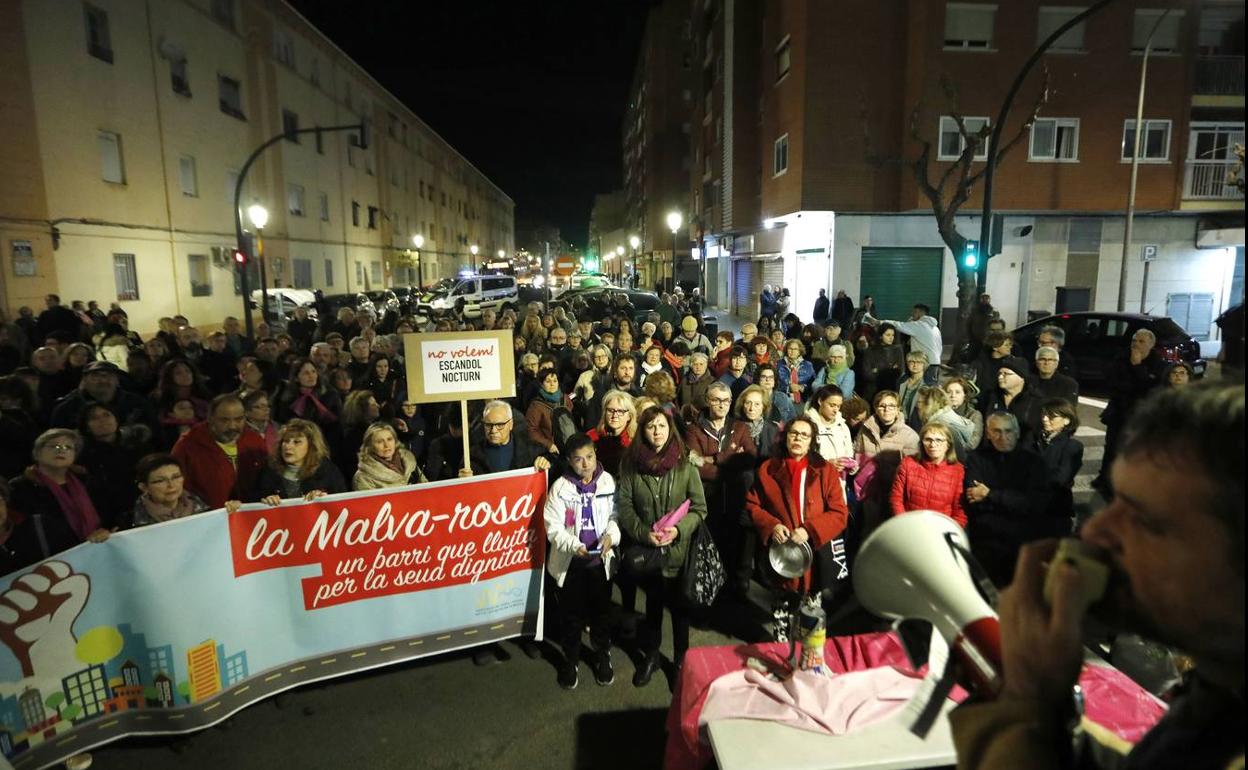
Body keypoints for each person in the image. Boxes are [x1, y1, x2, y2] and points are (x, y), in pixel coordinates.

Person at [951, 381, 1245, 770]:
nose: (1094, 531)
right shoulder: (1218, 689)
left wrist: (1027, 702)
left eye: (1145, 520)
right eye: (1115, 500)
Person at [616, 406, 707, 686]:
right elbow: (625, 507)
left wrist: (678, 530)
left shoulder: (684, 465)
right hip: (648, 552)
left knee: (680, 611)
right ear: (642, 430)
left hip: (679, 552)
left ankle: (680, 661)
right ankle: (652, 656)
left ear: (671, 430)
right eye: (651, 426)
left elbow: (700, 508)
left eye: (662, 426)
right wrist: (644, 534)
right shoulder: (630, 465)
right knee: (653, 608)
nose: (657, 432)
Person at [745, 415, 849, 639]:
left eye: (804, 435)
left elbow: (839, 513)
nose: (798, 439)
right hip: (782, 554)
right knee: (781, 608)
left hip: (814, 555)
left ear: (811, 441)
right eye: (794, 433)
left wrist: (810, 530)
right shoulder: (767, 469)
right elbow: (753, 505)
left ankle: (810, 654)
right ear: (786, 437)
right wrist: (772, 525)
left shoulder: (825, 470)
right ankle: (780, 650)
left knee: (811, 613)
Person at [544, 434, 621, 690]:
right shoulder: (560, 488)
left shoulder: (607, 481)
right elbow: (553, 527)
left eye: (589, 457)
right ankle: (571, 659)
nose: (586, 464)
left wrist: (611, 536)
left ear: (596, 453)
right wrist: (573, 545)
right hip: (571, 566)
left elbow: (616, 515)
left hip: (600, 564)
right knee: (571, 616)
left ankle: (602, 654)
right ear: (569, 460)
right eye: (578, 460)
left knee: (601, 614)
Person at [963, 412, 1054, 586]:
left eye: (1008, 431)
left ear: (1017, 433)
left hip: (1021, 543)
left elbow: (1033, 504)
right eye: (996, 431)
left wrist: (989, 495)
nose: (1003, 437)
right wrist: (1011, 501)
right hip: (985, 542)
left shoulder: (1034, 462)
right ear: (988, 434)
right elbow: (973, 500)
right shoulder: (976, 459)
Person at [684, 381, 757, 597]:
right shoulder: (694, 429)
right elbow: (696, 468)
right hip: (707, 499)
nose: (722, 404)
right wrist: (731, 462)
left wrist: (714, 458)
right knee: (710, 547)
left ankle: (734, 591)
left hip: (735, 498)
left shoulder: (740, 427)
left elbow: (750, 457)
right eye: (716, 400)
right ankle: (710, 591)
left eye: (726, 400)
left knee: (734, 547)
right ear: (708, 401)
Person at [6, 429, 112, 569]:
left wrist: (105, 530)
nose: (61, 450)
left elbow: (107, 513)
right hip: (47, 564)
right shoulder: (19, 487)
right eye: (54, 446)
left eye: (68, 447)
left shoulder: (87, 481)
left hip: (95, 554)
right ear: (37, 453)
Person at [1095, 328, 1166, 495]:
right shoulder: (1121, 358)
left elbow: (1151, 388)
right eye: (1134, 340)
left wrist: (1137, 366)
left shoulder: (1157, 364)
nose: (1136, 344)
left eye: (1141, 341)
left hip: (1140, 415)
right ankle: (1105, 478)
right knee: (1111, 447)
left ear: (1151, 345)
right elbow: (1112, 381)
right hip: (1118, 411)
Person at [171, 394, 268, 509]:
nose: (232, 426)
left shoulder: (255, 441)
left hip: (252, 515)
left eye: (238, 419)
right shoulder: (187, 445)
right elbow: (179, 489)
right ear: (210, 419)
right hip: (208, 516)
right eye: (224, 420)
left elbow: (267, 481)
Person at [852, 391, 920, 530]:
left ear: (898, 409)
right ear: (876, 408)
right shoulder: (865, 430)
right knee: (869, 531)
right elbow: (858, 454)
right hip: (869, 492)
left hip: (894, 495)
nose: (886, 409)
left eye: (891, 406)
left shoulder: (910, 436)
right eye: (882, 406)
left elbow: (914, 471)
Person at [889, 422, 966, 526]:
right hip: (909, 525)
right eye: (928, 440)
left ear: (948, 444)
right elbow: (896, 498)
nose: (933, 445)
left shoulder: (958, 471)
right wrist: (905, 524)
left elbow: (960, 511)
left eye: (939, 440)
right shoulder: (908, 463)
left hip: (941, 529)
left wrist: (948, 532)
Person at [253, 419, 347, 503]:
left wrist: (325, 498)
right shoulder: (269, 470)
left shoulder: (327, 471)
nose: (288, 446)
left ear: (311, 446)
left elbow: (343, 504)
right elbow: (253, 501)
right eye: (286, 441)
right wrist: (265, 500)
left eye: (297, 442)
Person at [117, 453, 212, 529]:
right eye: (160, 481)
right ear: (144, 487)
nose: (171, 485)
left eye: (176, 477)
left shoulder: (204, 509)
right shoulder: (129, 522)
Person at [1032, 397, 1083, 529]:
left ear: (1067, 420)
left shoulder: (1072, 447)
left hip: (1054, 510)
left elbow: (1060, 479)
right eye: (1044, 415)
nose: (1045, 419)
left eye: (1051, 417)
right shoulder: (1035, 440)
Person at [877, 304, 943, 384]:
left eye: (914, 312)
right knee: (931, 386)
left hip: (926, 363)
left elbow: (899, 325)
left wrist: (881, 322)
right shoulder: (935, 328)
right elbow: (939, 346)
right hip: (935, 362)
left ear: (920, 313)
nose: (912, 314)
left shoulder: (919, 325)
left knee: (926, 387)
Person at [354, 421, 427, 490]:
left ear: (395, 441)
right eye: (379, 442)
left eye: (389, 439)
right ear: (370, 446)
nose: (386, 445)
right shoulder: (363, 477)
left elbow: (426, 487)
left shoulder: (409, 462)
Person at [915, 385, 976, 459]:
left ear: (929, 404)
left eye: (920, 402)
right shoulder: (947, 418)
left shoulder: (939, 425)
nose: (917, 406)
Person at [587, 390, 635, 476]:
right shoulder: (592, 436)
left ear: (629, 416)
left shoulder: (635, 441)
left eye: (620, 411)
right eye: (610, 410)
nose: (614, 415)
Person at [526, 366, 573, 454]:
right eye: (548, 381)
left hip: (568, 445)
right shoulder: (536, 405)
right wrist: (548, 444)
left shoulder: (565, 399)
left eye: (555, 381)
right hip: (550, 450)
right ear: (541, 384)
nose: (552, 384)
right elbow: (531, 430)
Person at [858, 324, 904, 403]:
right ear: (880, 336)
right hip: (873, 392)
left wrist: (877, 370)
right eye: (888, 335)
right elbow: (867, 374)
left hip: (891, 390)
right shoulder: (870, 351)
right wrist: (889, 370)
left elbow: (900, 371)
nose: (891, 338)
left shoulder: (898, 350)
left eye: (893, 335)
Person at [943, 376, 983, 450]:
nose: (953, 395)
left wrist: (945, 444)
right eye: (949, 392)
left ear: (964, 395)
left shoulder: (974, 415)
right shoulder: (940, 413)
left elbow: (972, 443)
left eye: (957, 392)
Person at [897, 351, 929, 429]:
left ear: (924, 364)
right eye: (912, 362)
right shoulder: (901, 381)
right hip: (900, 421)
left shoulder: (929, 384)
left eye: (919, 362)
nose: (915, 365)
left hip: (918, 424)